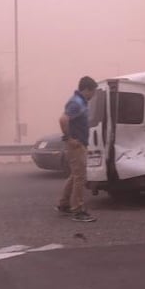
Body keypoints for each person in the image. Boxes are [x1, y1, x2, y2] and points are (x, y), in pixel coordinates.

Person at [56, 76, 98, 222]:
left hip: (79, 144)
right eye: (93, 92)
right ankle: (78, 210)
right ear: (87, 90)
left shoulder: (79, 102)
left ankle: (64, 204)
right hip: (77, 145)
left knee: (75, 175)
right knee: (80, 177)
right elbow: (63, 119)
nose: (93, 95)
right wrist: (69, 138)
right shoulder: (77, 102)